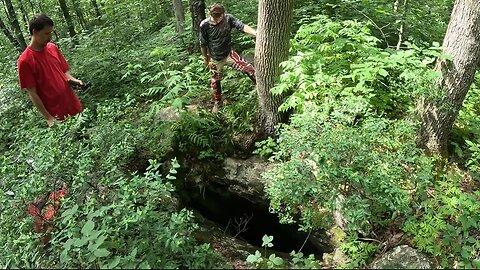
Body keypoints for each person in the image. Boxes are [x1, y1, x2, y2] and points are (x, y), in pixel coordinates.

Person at [17, 14, 84, 127]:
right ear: (35, 32)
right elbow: (32, 92)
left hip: (73, 104)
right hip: (56, 114)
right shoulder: (25, 60)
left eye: (51, 32)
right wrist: (48, 117)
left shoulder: (52, 48)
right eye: (47, 33)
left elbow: (64, 73)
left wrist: (74, 80)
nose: (50, 36)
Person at [199, 3, 256, 113]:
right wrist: (206, 59)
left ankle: (260, 87)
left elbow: (242, 26)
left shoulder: (228, 18)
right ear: (210, 14)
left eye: (220, 15)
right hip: (215, 58)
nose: (218, 18)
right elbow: (203, 44)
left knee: (249, 68)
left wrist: (255, 33)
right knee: (215, 81)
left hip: (228, 54)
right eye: (216, 16)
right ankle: (218, 102)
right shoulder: (204, 25)